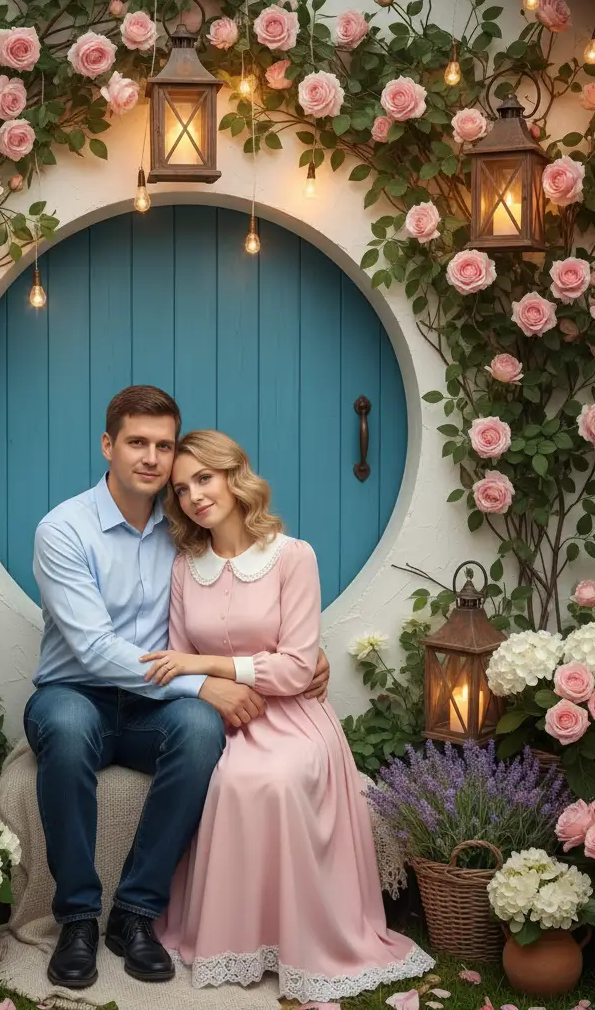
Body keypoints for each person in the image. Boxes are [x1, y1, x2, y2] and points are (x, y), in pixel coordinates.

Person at [25, 386, 330, 990]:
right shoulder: (63, 529)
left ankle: (135, 914)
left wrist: (306, 656)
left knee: (196, 730)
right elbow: (94, 649)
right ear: (108, 445)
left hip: (151, 705)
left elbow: (239, 601)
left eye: (164, 446)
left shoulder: (186, 528)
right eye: (137, 442)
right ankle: (79, 919)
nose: (152, 458)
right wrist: (199, 683)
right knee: (68, 724)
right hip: (75, 692)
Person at [146, 429, 435, 1004]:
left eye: (204, 478)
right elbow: (177, 668)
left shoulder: (292, 557)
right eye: (180, 489)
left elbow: (297, 670)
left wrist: (208, 663)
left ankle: (298, 941)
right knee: (226, 779)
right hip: (221, 718)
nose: (194, 496)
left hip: (295, 719)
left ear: (234, 476)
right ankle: (234, 942)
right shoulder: (184, 567)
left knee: (275, 779)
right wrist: (208, 680)